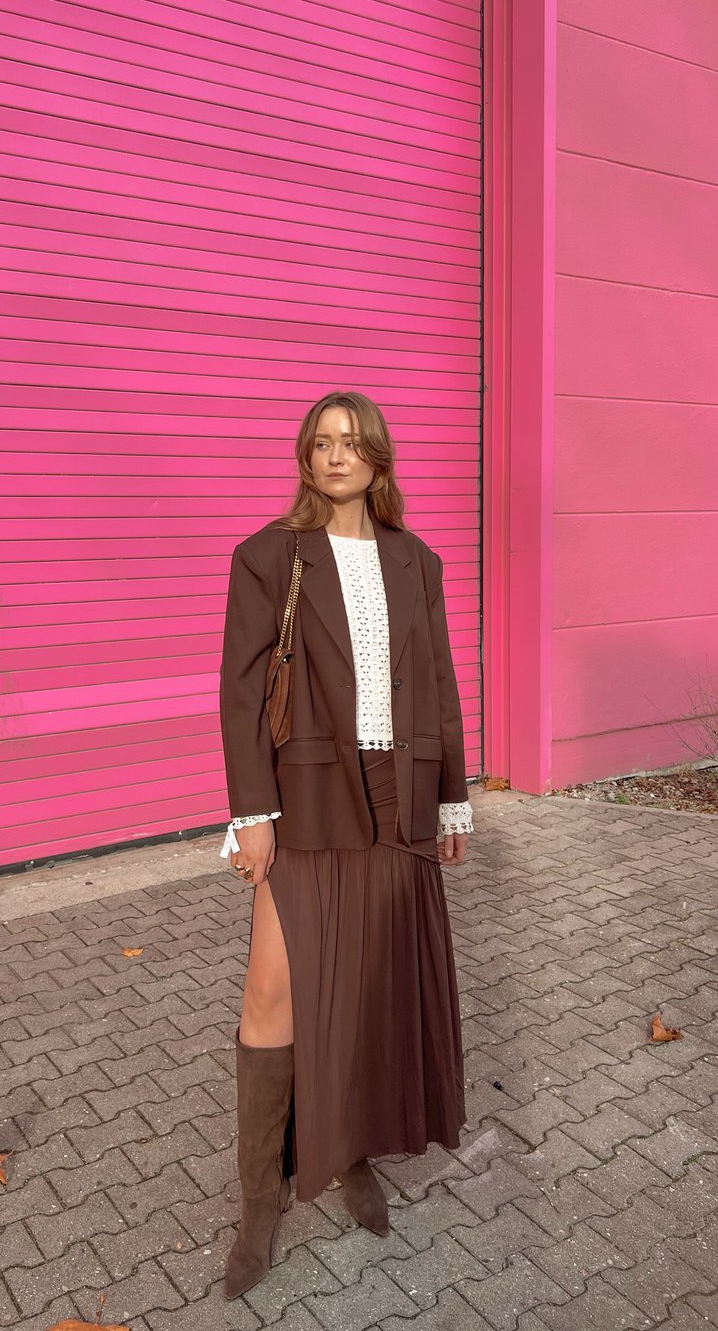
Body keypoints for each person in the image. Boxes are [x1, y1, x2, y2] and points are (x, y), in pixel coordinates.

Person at [217, 391, 473, 1299]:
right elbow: (242, 694)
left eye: (350, 441)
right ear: (305, 455)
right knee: (275, 986)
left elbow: (438, 683)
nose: (335, 456)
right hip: (306, 792)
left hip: (395, 794)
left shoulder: (416, 560)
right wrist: (251, 814)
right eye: (321, 442)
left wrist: (450, 804)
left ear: (377, 457)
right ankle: (259, 1201)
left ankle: (344, 1151)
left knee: (365, 983)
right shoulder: (268, 556)